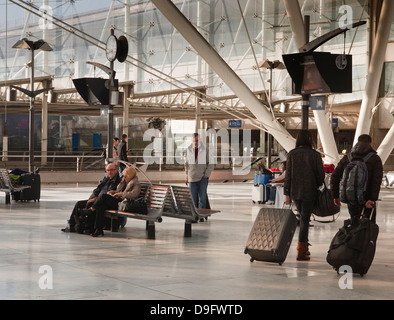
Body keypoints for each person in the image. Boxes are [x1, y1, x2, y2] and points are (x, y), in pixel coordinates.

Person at [284, 130, 325, 261]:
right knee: (304, 220)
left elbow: (288, 175)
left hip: (295, 192)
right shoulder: (315, 155)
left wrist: (286, 193)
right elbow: (321, 175)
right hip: (309, 191)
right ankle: (301, 250)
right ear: (309, 140)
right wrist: (318, 184)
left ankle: (304, 248)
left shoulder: (292, 154)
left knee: (303, 217)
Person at [330, 134, 383, 223]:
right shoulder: (375, 159)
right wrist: (372, 199)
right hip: (367, 199)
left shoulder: (347, 157)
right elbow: (376, 181)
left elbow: (334, 176)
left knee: (354, 224)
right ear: (370, 144)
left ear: (357, 143)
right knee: (368, 226)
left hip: (351, 198)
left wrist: (335, 196)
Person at [61, 162, 121, 233]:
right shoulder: (106, 180)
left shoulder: (118, 181)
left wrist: (95, 199)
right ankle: (71, 226)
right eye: (107, 170)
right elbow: (96, 190)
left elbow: (107, 195)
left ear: (117, 170)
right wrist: (92, 198)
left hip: (106, 202)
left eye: (112, 170)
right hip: (97, 200)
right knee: (79, 204)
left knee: (97, 206)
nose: (109, 172)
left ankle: (90, 227)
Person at [88, 166, 141, 237]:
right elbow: (117, 191)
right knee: (101, 207)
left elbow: (134, 194)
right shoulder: (124, 181)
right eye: (124, 176)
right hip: (117, 201)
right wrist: (112, 192)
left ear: (130, 176)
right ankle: (98, 230)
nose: (124, 178)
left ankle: (92, 209)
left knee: (103, 196)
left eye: (126, 176)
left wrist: (120, 194)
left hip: (122, 204)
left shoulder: (135, 183)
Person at [185, 133, 214, 209]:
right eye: (194, 141)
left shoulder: (206, 150)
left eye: (197, 141)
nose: (195, 142)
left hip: (202, 178)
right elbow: (186, 164)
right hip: (192, 178)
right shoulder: (188, 150)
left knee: (202, 199)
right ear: (191, 140)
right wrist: (187, 176)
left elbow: (211, 163)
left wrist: (206, 175)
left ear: (200, 140)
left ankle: (201, 214)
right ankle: (195, 215)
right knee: (193, 199)